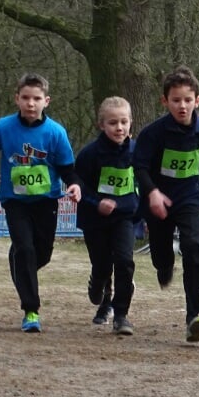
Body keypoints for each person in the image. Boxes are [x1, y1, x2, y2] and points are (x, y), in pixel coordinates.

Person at [0, 73, 82, 333]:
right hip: (15, 202)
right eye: (25, 98)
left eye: (36, 99)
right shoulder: (3, 127)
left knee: (42, 252)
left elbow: (67, 167)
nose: (30, 104)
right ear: (17, 99)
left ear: (47, 101)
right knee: (25, 248)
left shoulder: (56, 132)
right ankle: (31, 310)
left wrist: (74, 184)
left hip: (46, 201)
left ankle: (20, 263)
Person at [133, 66, 199, 343]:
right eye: (176, 100)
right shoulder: (154, 132)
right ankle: (164, 266)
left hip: (189, 197)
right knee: (161, 256)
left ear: (197, 101)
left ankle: (194, 317)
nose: (182, 106)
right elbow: (139, 165)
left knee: (194, 247)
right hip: (159, 200)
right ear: (165, 101)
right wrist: (152, 192)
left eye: (188, 100)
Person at [75, 97, 138, 333]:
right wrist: (97, 202)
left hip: (124, 217)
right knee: (102, 264)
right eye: (113, 123)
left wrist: (143, 211)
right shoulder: (90, 154)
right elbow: (78, 183)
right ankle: (99, 285)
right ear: (101, 125)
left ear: (131, 122)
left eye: (124, 122)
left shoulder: (137, 152)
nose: (119, 127)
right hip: (95, 219)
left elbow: (144, 181)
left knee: (124, 261)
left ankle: (121, 315)